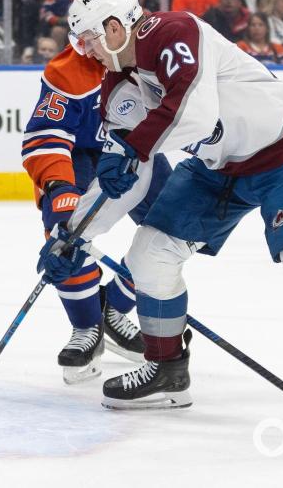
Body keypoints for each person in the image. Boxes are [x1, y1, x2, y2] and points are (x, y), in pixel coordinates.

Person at [48, 0, 283, 426]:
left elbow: (192, 114)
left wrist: (135, 148)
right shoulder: (118, 91)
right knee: (149, 254)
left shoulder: (174, 32)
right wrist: (74, 233)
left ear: (114, 28)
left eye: (88, 41)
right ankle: (167, 371)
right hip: (219, 168)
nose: (87, 52)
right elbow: (129, 178)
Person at [23, 43, 172, 382]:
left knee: (176, 222)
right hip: (76, 155)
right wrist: (60, 188)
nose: (92, 42)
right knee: (66, 233)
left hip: (132, 146)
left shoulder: (152, 51)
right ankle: (87, 327)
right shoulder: (66, 70)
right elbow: (46, 135)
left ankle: (114, 306)